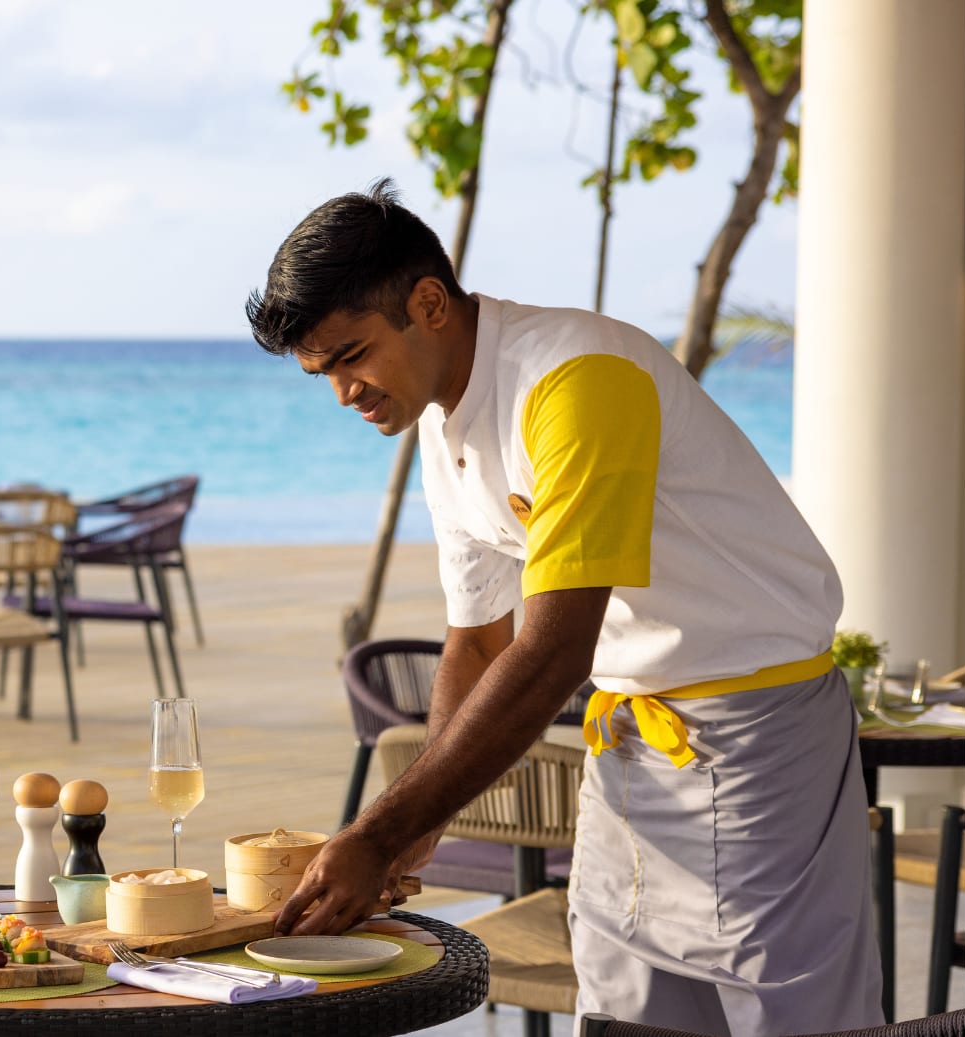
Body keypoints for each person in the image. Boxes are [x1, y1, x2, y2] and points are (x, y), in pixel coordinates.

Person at [248, 181, 879, 1036]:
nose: (344, 392)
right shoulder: (443, 420)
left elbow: (551, 654)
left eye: (351, 354)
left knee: (794, 1020)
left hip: (758, 739)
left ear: (427, 303)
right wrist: (416, 828)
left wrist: (380, 828)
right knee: (625, 1012)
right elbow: (475, 639)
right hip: (624, 749)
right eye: (323, 373)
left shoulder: (576, 379)